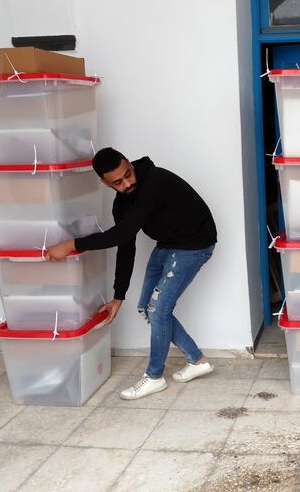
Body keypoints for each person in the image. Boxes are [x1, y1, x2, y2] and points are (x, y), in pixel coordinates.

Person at [45, 147, 218, 400]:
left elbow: (122, 234)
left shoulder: (154, 181)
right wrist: (118, 297)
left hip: (193, 246)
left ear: (129, 163)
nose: (128, 182)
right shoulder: (122, 204)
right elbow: (126, 245)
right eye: (118, 181)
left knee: (159, 310)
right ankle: (197, 361)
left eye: (128, 173)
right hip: (168, 245)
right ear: (105, 183)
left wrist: (71, 245)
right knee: (150, 308)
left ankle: (155, 377)